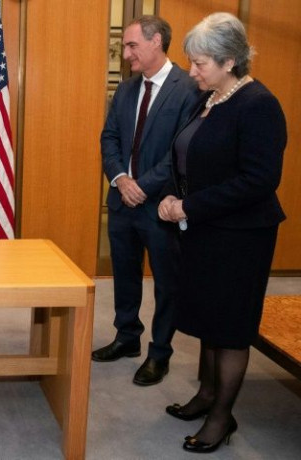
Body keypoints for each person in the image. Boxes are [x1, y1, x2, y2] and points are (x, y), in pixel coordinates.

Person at [158, 12, 286, 453]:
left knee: (230, 328)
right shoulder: (209, 97)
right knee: (209, 320)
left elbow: (260, 179)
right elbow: (189, 156)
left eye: (201, 63)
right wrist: (173, 198)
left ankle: (221, 417)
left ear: (230, 60)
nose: (191, 71)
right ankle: (207, 394)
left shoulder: (258, 105)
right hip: (204, 230)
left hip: (241, 236)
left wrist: (187, 205)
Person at [94, 15, 198, 386]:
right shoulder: (125, 89)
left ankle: (160, 353)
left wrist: (143, 186)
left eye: (132, 45)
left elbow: (182, 152)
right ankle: (127, 337)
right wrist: (122, 179)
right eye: (125, 46)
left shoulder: (188, 88)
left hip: (160, 205)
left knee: (167, 281)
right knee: (124, 272)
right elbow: (109, 139)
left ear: (156, 43)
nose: (126, 53)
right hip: (123, 201)